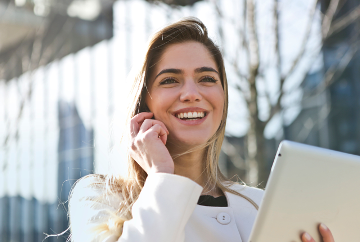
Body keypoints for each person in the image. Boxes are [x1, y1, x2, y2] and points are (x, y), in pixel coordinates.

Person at [68, 18, 335, 242]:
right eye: (170, 80)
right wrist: (162, 176)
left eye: (207, 78)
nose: (191, 94)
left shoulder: (260, 205)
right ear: (143, 103)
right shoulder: (99, 197)